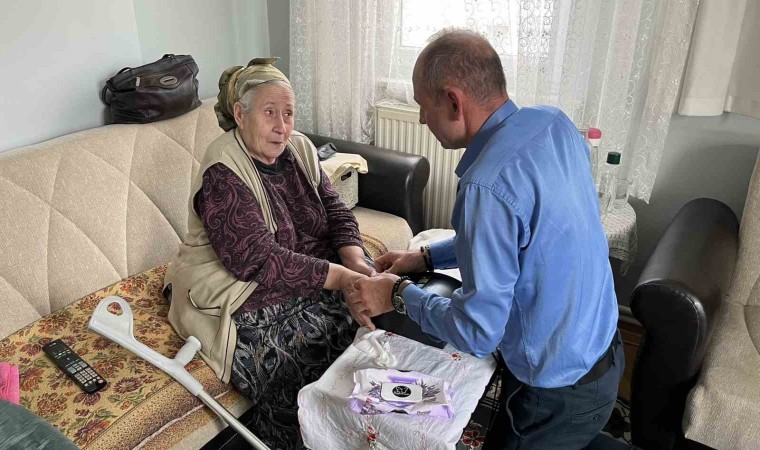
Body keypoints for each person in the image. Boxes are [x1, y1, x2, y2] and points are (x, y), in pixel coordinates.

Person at [351, 30, 624, 449]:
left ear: (453, 101)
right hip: (603, 349)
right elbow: (521, 241)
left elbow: (477, 333)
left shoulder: (485, 186)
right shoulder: (554, 123)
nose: (421, 119)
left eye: (423, 106)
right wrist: (424, 257)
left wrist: (398, 294)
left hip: (555, 392)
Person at [163, 57, 372, 449]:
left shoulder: (299, 148)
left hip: (298, 267)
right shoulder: (223, 170)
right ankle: (293, 437)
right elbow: (257, 259)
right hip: (233, 283)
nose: (282, 126)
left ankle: (360, 427)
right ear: (241, 115)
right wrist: (344, 279)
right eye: (270, 112)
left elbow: (336, 209)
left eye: (288, 113)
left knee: (373, 301)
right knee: (300, 349)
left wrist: (357, 262)